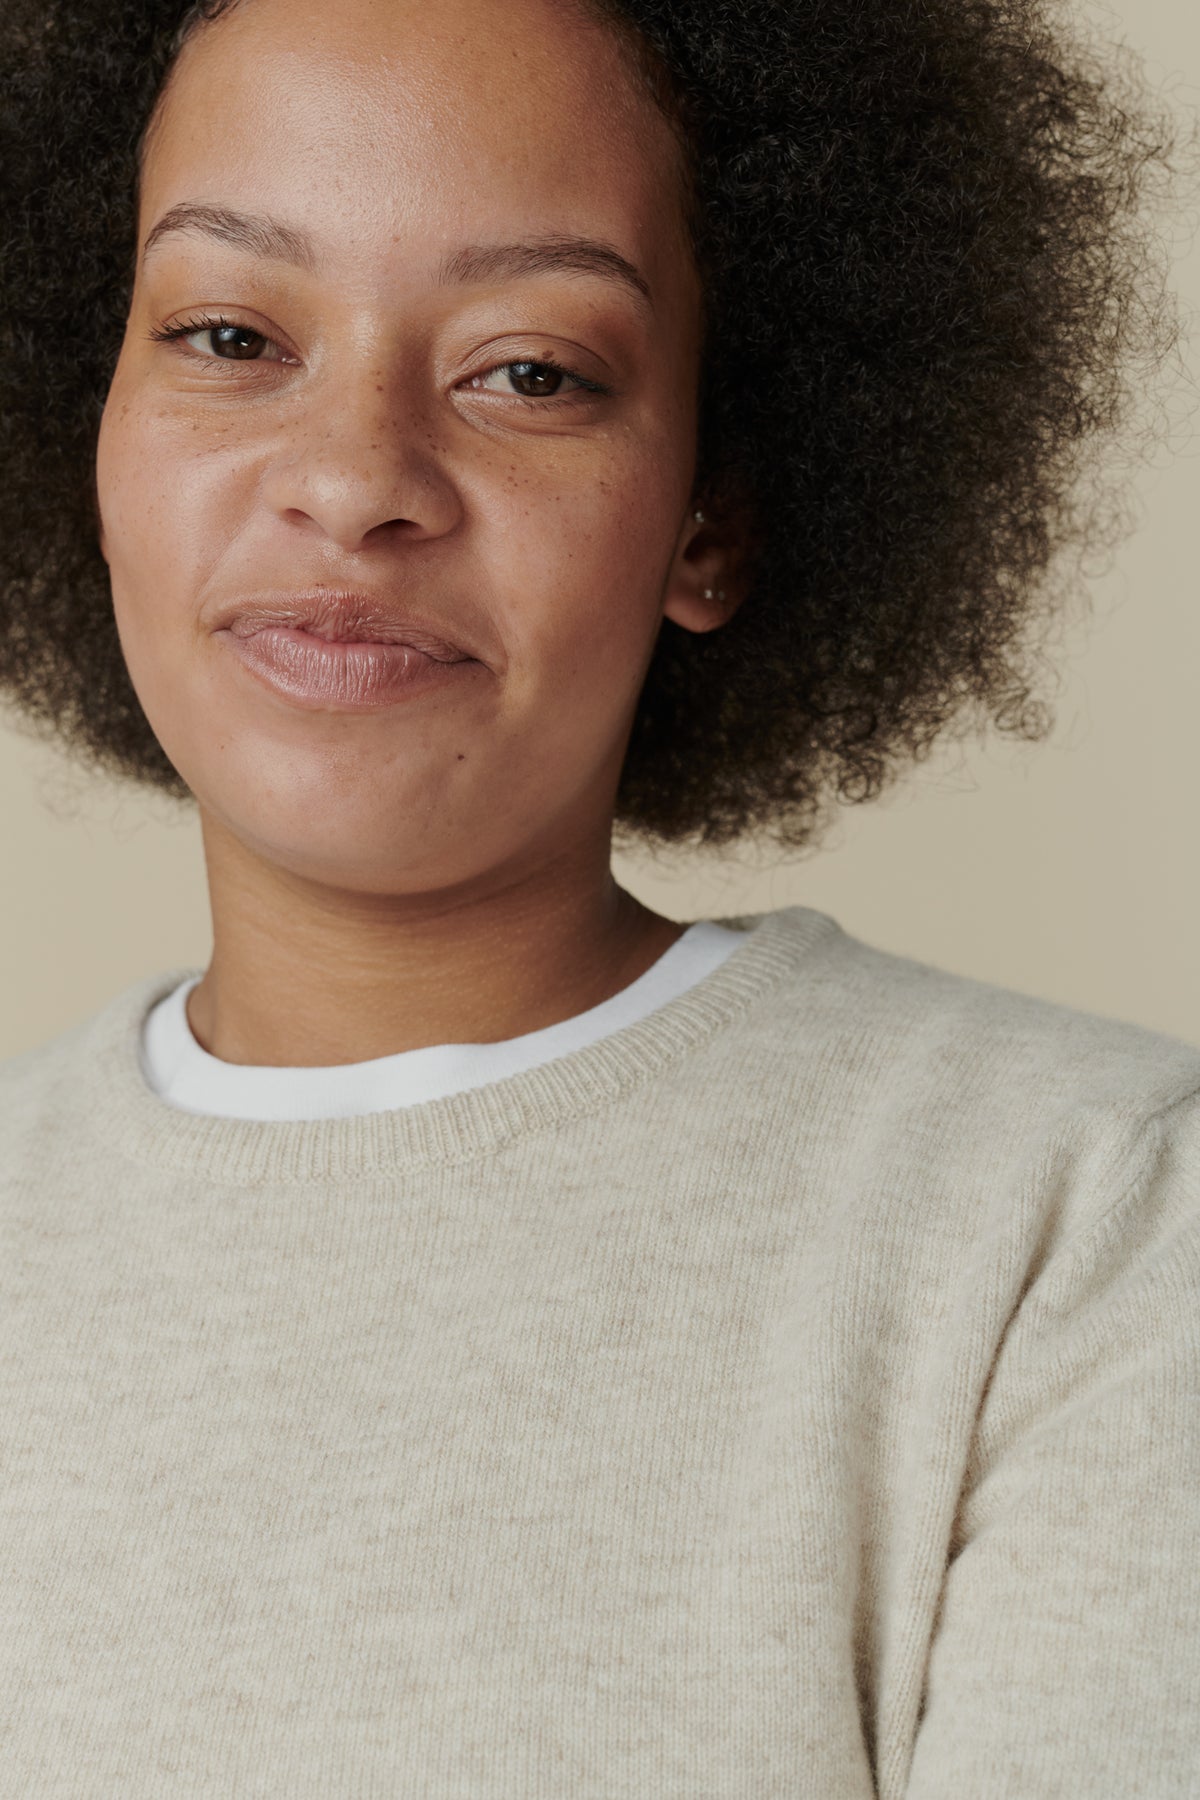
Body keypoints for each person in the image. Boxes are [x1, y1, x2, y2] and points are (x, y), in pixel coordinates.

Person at [1, 0, 1197, 1791]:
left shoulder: (1081, 1221)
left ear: (708, 511)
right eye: (233, 333)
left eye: (530, 371)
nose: (351, 484)